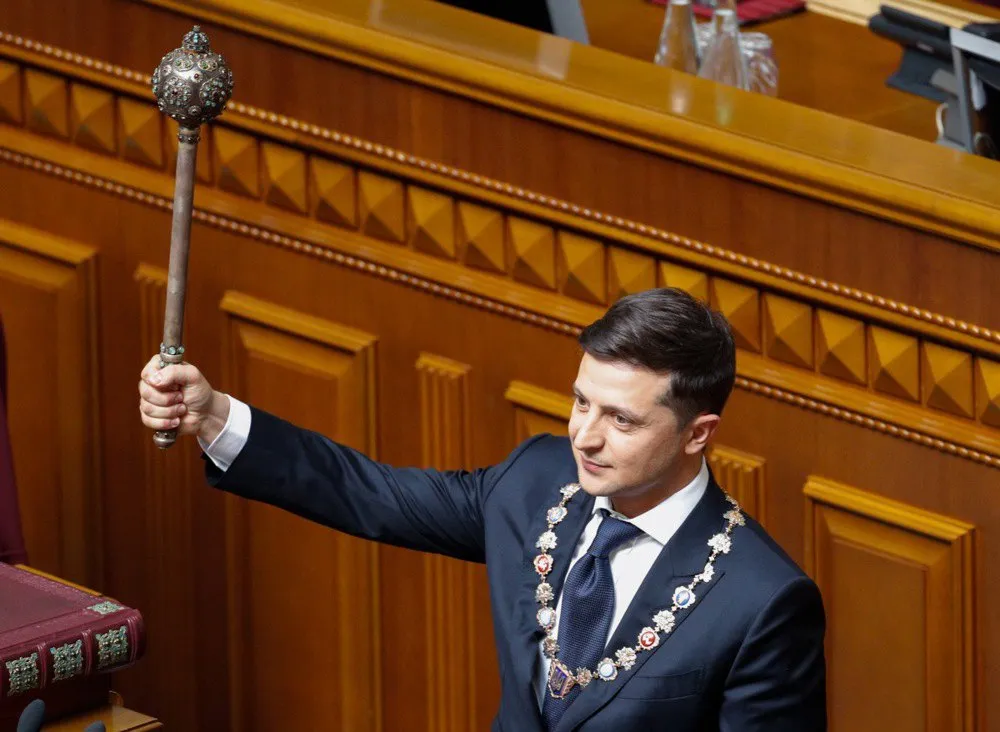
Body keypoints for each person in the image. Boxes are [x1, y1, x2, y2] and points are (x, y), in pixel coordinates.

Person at [138, 288, 827, 731]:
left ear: (698, 434)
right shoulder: (536, 480)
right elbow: (371, 493)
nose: (584, 436)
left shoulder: (762, 601)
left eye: (620, 419)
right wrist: (214, 415)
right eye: (581, 402)